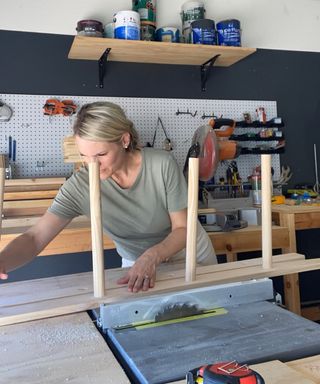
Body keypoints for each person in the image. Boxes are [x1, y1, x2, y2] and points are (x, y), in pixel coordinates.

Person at [0, 102, 217, 292]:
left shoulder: (161, 164)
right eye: (84, 156)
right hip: (136, 264)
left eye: (101, 155)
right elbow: (35, 237)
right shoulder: (80, 186)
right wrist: (3, 260)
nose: (92, 164)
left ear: (124, 140)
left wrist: (152, 257)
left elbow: (183, 229)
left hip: (188, 255)